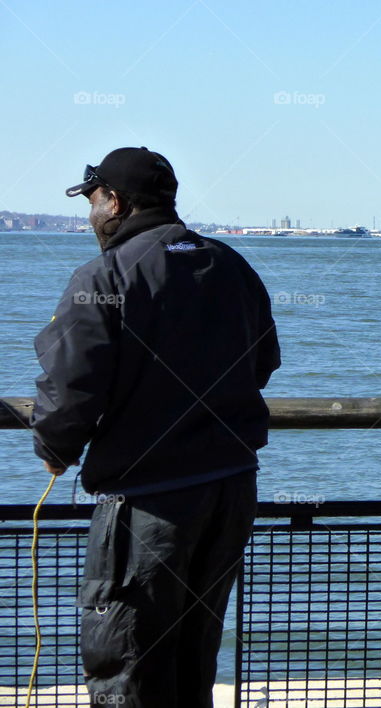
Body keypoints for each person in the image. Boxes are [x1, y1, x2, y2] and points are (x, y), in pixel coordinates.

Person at [32, 147, 281, 707]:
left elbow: (72, 384)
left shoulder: (104, 275)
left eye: (93, 202)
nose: (91, 216)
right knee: (194, 651)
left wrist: (54, 447)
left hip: (148, 501)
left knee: (125, 656)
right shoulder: (231, 264)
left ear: (114, 201)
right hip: (231, 489)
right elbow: (261, 363)